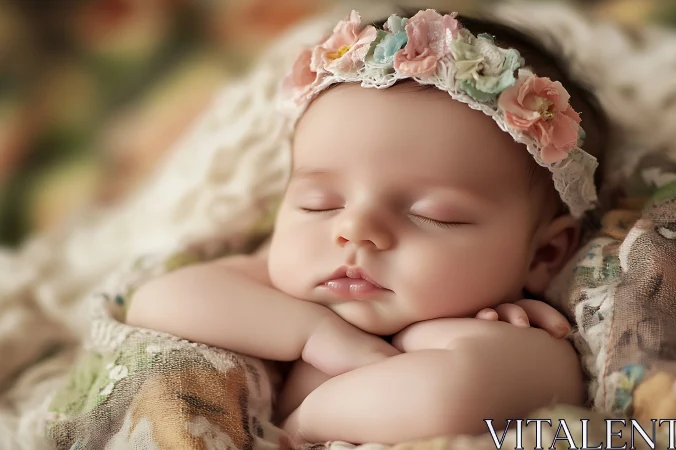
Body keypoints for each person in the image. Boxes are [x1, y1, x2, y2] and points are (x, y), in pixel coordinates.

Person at [126, 8, 610, 445]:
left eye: (433, 214)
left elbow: (448, 397)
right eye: (319, 204)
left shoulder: (517, 336)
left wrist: (305, 423)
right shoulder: (283, 292)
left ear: (544, 256)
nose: (354, 229)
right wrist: (312, 333)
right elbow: (157, 301)